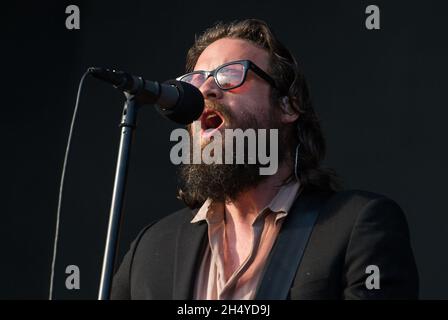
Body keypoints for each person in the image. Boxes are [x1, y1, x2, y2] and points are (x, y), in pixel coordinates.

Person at [111, 19, 418, 300]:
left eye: (230, 75)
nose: (206, 90)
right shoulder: (150, 251)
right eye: (196, 80)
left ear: (288, 106)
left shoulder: (356, 228)